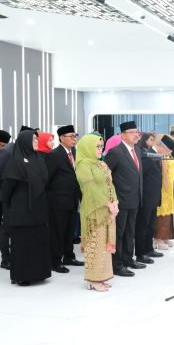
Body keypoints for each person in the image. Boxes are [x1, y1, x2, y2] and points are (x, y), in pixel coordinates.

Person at [0, 130, 51, 286]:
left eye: (37, 139)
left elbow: (45, 182)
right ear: (25, 142)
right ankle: (22, 276)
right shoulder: (15, 162)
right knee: (23, 243)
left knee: (38, 242)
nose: (36, 141)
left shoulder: (39, 159)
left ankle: (39, 273)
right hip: (22, 209)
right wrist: (12, 205)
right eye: (33, 139)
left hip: (38, 209)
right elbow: (7, 188)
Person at [76, 134, 119, 292]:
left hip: (107, 210)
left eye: (101, 146)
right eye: (97, 146)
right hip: (93, 211)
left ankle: (102, 277)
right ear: (87, 148)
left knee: (104, 246)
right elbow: (90, 189)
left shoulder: (101, 164)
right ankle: (92, 279)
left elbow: (111, 184)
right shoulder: (83, 166)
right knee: (95, 245)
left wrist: (115, 202)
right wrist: (108, 203)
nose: (100, 149)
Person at [104, 121, 145, 277]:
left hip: (135, 199)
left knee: (130, 231)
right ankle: (117, 265)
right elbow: (106, 176)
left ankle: (128, 259)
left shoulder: (138, 150)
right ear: (122, 135)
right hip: (120, 200)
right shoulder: (115, 152)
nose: (136, 135)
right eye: (132, 132)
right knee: (119, 233)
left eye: (137, 132)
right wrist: (111, 199)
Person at [46, 125, 84, 274]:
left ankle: (69, 256)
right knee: (57, 232)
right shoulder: (54, 155)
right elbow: (47, 179)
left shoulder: (74, 152)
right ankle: (55, 261)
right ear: (62, 138)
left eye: (75, 136)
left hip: (72, 199)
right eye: (71, 136)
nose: (74, 139)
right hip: (58, 201)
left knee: (69, 231)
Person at [135, 133, 164, 263]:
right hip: (146, 196)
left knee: (150, 225)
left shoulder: (150, 153)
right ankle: (141, 253)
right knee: (143, 225)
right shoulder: (143, 154)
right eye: (151, 139)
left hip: (153, 196)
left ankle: (149, 249)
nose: (153, 141)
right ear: (145, 141)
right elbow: (142, 174)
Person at [154, 135, 174, 250]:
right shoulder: (162, 156)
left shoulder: (169, 155)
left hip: (171, 187)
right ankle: (158, 238)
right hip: (164, 188)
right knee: (162, 213)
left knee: (169, 214)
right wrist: (166, 186)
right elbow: (163, 174)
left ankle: (165, 236)